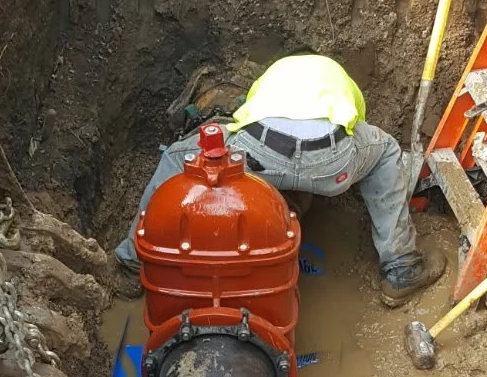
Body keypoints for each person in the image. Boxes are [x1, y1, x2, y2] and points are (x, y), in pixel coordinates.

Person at [116, 53, 446, 308]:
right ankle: (401, 266)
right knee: (385, 150)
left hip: (259, 158)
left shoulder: (271, 77)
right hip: (332, 165)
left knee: (178, 155)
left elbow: (243, 115)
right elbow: (354, 121)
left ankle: (131, 264)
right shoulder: (336, 76)